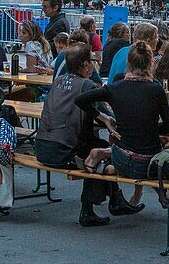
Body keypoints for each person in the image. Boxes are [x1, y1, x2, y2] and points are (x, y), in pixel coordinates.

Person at [36, 43, 141, 227]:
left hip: (42, 145)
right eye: (92, 61)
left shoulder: (58, 81)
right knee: (99, 153)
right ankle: (88, 210)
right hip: (63, 149)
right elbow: (110, 116)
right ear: (85, 64)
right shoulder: (86, 85)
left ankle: (116, 200)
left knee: (97, 145)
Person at [75, 41, 169, 186]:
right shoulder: (156, 89)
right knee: (168, 147)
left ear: (128, 62)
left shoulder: (114, 88)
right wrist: (149, 129)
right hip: (148, 163)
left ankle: (105, 161)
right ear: (151, 63)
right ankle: (106, 162)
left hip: (121, 157)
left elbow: (80, 99)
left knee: (118, 159)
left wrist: (104, 118)